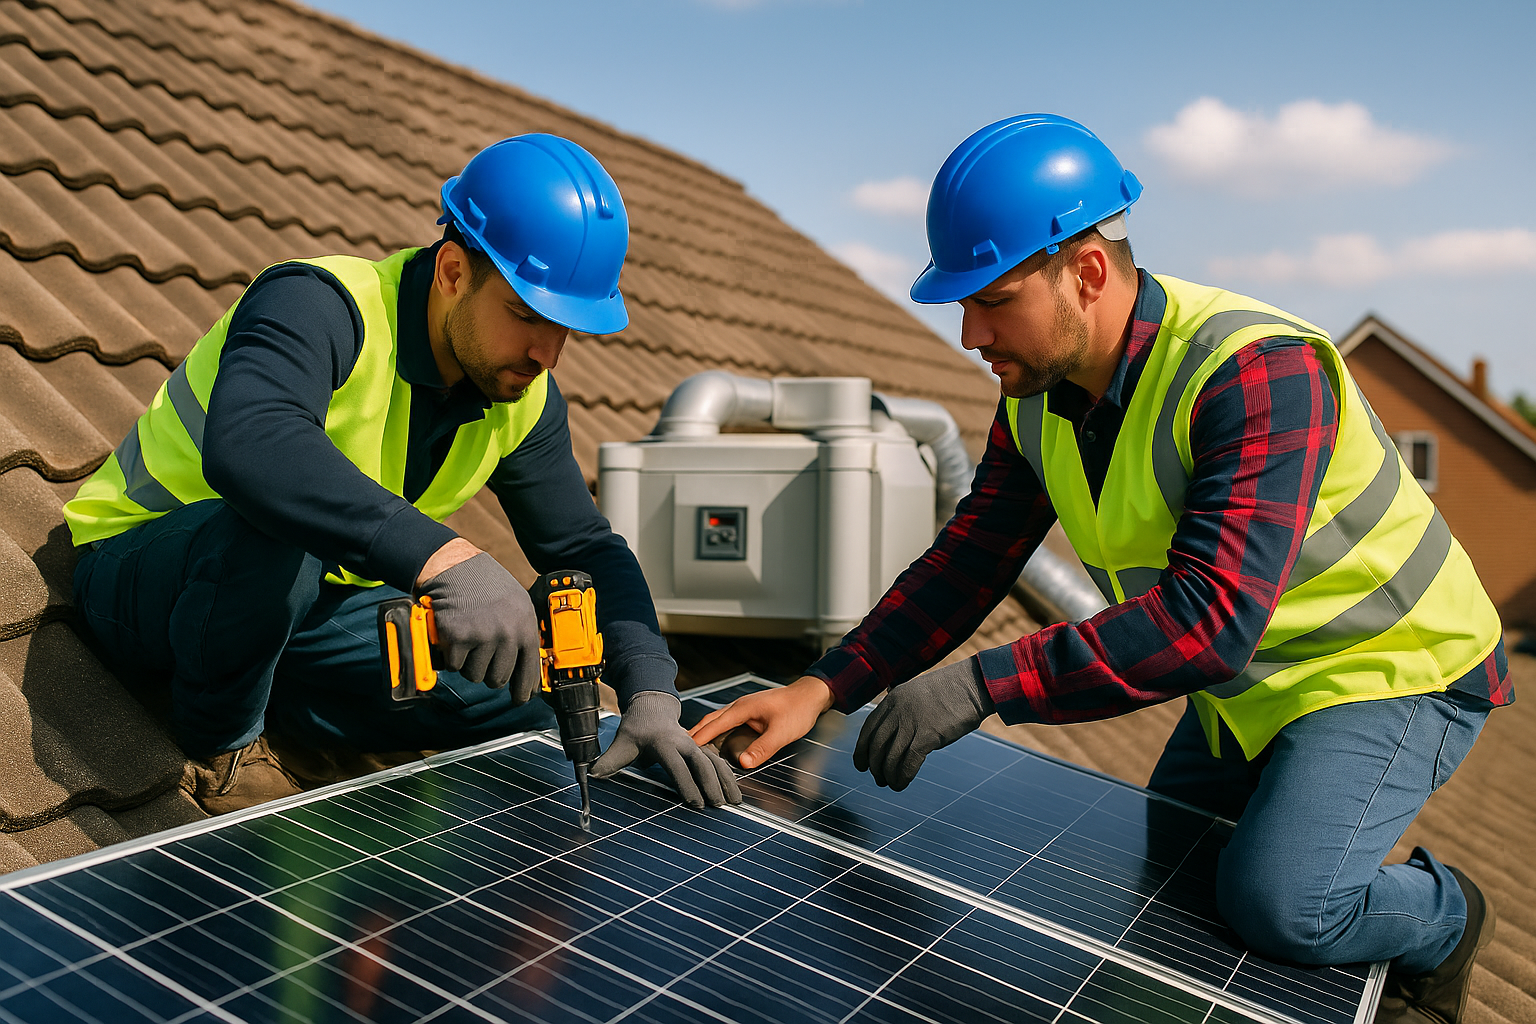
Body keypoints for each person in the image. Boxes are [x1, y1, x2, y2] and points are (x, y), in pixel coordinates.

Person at [691, 114, 1507, 1024]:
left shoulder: (1257, 372)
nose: (969, 333)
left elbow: (1207, 621)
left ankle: (1446, 917)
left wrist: (983, 685)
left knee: (1280, 905)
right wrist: (824, 685)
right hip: (1252, 684)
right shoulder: (1039, 398)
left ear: (1086, 273)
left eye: (993, 300)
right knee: (1169, 889)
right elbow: (971, 560)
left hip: (1393, 669)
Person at [65, 134, 740, 816]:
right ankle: (224, 748)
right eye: (526, 316)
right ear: (452, 271)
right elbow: (254, 445)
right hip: (150, 575)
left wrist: (650, 690)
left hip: (306, 612)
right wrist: (448, 559)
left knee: (526, 693)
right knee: (279, 528)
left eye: (566, 329)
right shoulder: (319, 303)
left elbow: (584, 548)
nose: (547, 353)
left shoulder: (521, 394)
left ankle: (284, 700)